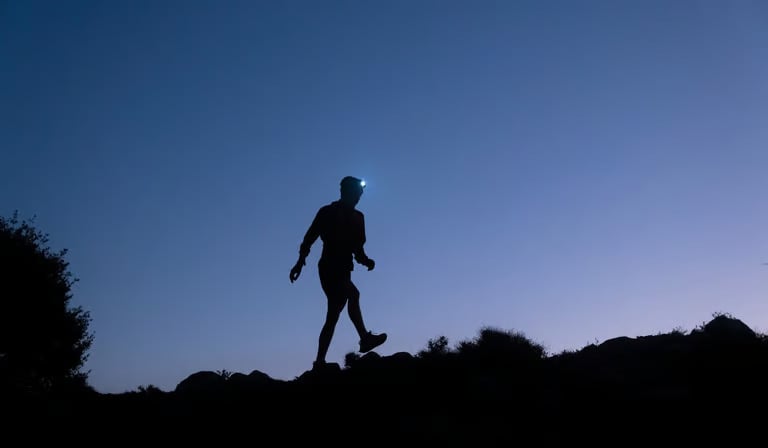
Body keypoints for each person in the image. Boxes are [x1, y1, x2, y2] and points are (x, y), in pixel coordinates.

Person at [289, 176, 387, 370]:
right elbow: (309, 238)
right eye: (356, 193)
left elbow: (357, 249)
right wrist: (300, 262)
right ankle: (365, 338)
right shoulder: (327, 212)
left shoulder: (359, 218)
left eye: (360, 195)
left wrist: (366, 260)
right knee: (353, 294)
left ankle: (319, 362)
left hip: (344, 268)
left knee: (333, 315)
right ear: (345, 192)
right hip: (328, 267)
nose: (359, 197)